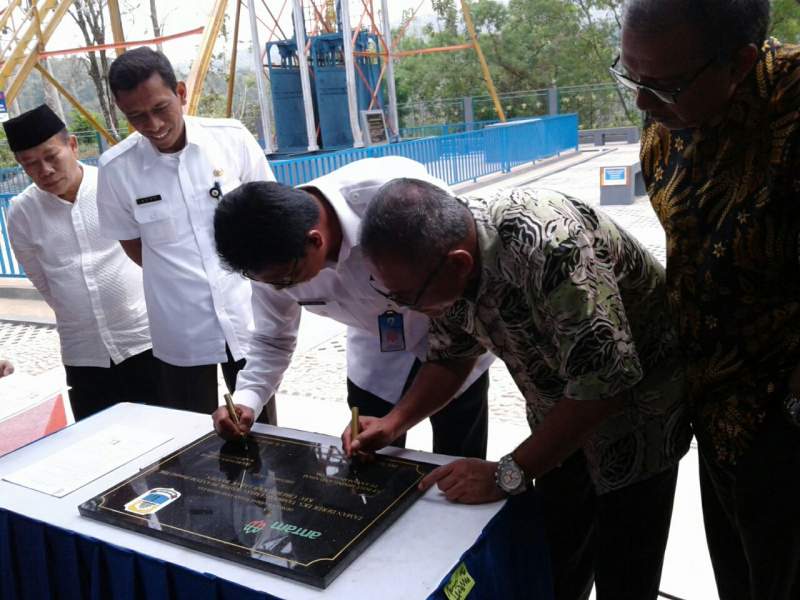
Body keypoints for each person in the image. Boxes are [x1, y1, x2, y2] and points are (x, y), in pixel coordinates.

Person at [344, 180, 691, 600]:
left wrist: (507, 473)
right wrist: (393, 422)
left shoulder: (550, 246)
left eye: (406, 297)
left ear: (458, 263)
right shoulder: (441, 262)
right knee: (557, 555)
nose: (403, 307)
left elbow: (605, 384)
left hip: (639, 418)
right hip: (558, 416)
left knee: (625, 566)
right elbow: (450, 356)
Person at [614, 1, 800, 597]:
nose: (643, 104)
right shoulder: (670, 104)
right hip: (713, 408)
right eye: (630, 74)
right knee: (740, 577)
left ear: (740, 62)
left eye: (661, 84)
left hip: (783, 419)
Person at [211, 157, 492, 460]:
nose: (280, 290)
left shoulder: (399, 197)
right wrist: (246, 399)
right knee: (368, 457)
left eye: (286, 282)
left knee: (459, 457)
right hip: (376, 353)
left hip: (453, 337)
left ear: (315, 241)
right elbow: (273, 338)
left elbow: (462, 274)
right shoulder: (270, 255)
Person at [97, 47, 276, 418]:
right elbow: (133, 246)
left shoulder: (231, 139)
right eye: (136, 117)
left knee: (262, 428)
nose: (153, 125)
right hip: (180, 330)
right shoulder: (116, 170)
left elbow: (268, 213)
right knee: (190, 439)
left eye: (160, 108)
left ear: (180, 93)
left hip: (244, 316)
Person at [5, 104, 158, 420]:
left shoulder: (113, 185)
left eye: (51, 156)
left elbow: (152, 255)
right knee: (102, 447)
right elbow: (43, 282)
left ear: (72, 145)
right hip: (83, 354)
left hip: (145, 341)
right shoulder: (22, 211)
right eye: (30, 164)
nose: (44, 170)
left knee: (169, 436)